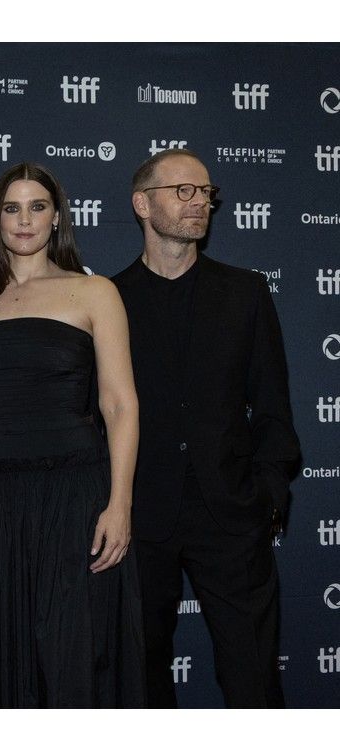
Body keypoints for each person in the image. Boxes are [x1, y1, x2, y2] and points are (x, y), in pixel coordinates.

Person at [0, 162, 145, 708]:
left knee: (72, 656)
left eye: (37, 206)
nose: (24, 220)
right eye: (11, 208)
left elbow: (119, 404)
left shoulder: (96, 294)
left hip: (72, 499)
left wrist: (120, 504)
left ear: (56, 219)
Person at [112, 149, 299, 708]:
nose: (200, 204)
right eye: (184, 192)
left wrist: (266, 495)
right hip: (142, 518)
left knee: (253, 680)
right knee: (142, 682)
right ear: (142, 204)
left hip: (232, 514)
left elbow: (272, 408)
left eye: (206, 193)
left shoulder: (244, 292)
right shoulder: (110, 300)